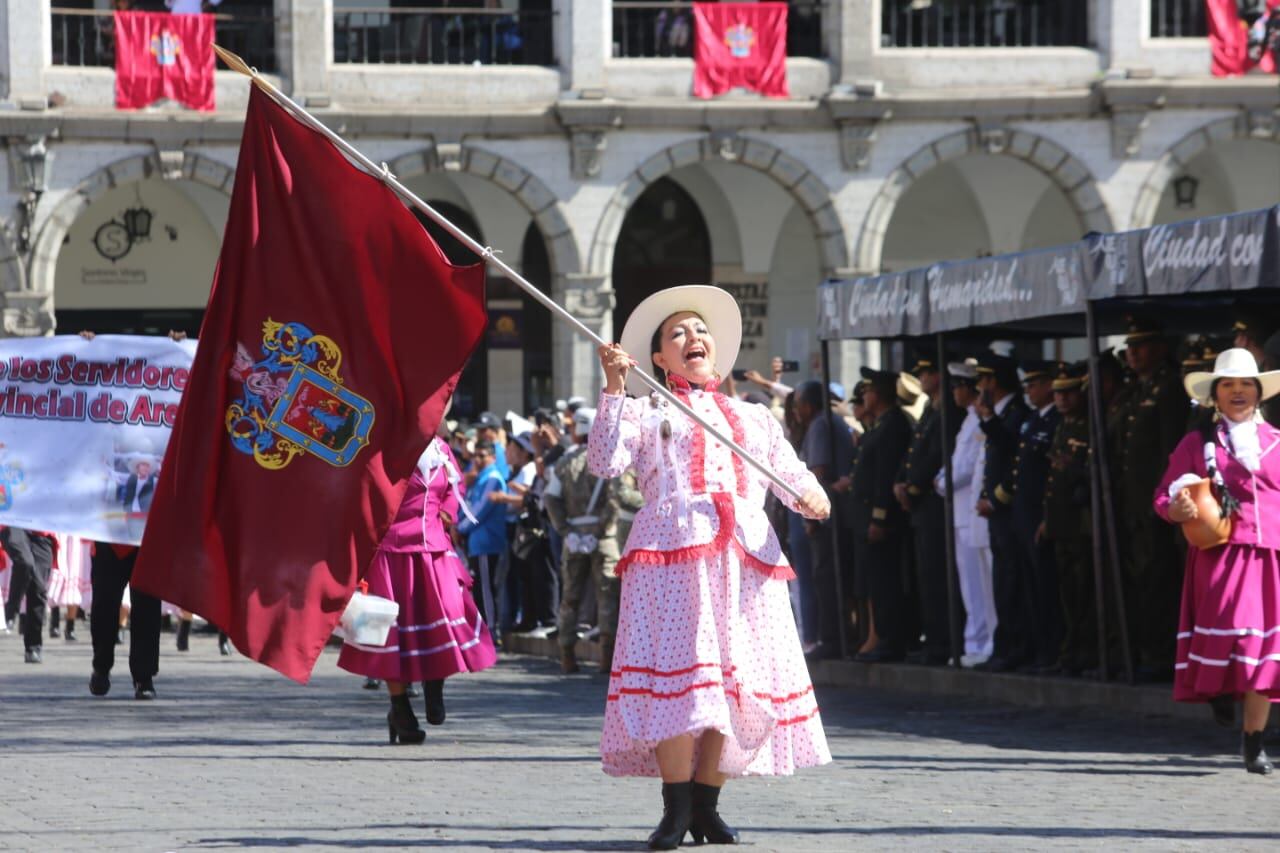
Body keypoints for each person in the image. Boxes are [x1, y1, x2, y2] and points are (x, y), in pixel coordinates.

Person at [591, 285, 831, 850]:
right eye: (677, 334)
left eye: (699, 331)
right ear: (659, 358)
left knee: (733, 679)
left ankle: (707, 805)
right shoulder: (648, 412)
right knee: (682, 681)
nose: (692, 339)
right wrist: (615, 387)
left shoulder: (753, 417)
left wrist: (812, 495)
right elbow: (605, 461)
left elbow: (789, 473)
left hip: (744, 557)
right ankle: (674, 810)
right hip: (673, 558)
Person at [1155, 348, 1280, 775]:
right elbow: (1162, 497)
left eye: (1246, 384)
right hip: (1221, 558)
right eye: (1228, 384)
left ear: (1259, 392)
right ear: (1215, 395)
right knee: (1235, 638)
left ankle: (1254, 742)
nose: (1238, 391)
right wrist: (1177, 510)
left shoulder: (1277, 443)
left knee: (1266, 652)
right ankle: (1218, 691)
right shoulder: (1197, 444)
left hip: (1271, 559)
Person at [338, 428, 497, 744]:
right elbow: (360, 492)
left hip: (433, 546)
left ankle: (434, 682)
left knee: (443, 619)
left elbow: (455, 487)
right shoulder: (380, 445)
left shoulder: (441, 449)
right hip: (388, 550)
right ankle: (399, 709)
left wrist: (448, 512)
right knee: (388, 634)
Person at [1115, 318, 1186, 678]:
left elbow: (1168, 452)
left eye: (1140, 347)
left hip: (1156, 505)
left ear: (1159, 348)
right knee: (1141, 579)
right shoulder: (1137, 391)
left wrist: (1162, 500)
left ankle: (1160, 654)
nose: (1132, 354)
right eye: (1129, 347)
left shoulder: (1168, 388)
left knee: (1158, 580)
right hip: (1134, 503)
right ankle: (1148, 650)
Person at [544, 407, 636, 675]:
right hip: (603, 537)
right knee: (607, 595)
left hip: (574, 535)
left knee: (570, 597)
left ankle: (567, 655)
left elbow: (551, 499)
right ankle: (606, 659)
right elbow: (614, 500)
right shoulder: (607, 459)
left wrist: (565, 530)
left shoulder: (564, 462)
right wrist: (601, 530)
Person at [850, 366, 913, 663]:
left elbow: (884, 476)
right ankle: (880, 637)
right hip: (865, 517)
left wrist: (879, 517)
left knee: (886, 580)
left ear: (882, 393)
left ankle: (890, 639)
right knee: (876, 580)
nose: (866, 396)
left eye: (870, 390)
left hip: (881, 520)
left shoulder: (893, 425)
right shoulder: (880, 424)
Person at [974, 352, 1030, 673]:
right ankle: (1004, 644)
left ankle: (1014, 646)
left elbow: (1012, 456)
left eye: (983, 379)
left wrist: (996, 498)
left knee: (1011, 582)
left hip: (1008, 510)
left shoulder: (1015, 412)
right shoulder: (1001, 413)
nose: (980, 386)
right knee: (1001, 581)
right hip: (996, 512)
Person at [895, 358, 953, 665]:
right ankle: (935, 639)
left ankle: (943, 642)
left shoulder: (947, 410)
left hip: (933, 501)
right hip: (919, 503)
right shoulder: (932, 408)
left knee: (936, 576)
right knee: (925, 576)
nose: (922, 378)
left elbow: (937, 454)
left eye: (926, 373)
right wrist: (902, 483)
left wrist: (914, 486)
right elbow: (915, 452)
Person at [939, 358, 996, 667]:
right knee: (971, 584)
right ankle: (975, 641)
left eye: (958, 386)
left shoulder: (978, 419)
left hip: (973, 512)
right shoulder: (969, 419)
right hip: (964, 513)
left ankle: (985, 641)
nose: (954, 392)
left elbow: (964, 467)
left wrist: (940, 483)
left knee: (981, 583)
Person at [1039, 362, 1095, 676]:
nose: (1062, 399)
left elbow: (1088, 475)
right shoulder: (1063, 426)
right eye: (1058, 393)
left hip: (1081, 524)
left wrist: (1071, 468)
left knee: (1083, 591)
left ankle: (1084, 651)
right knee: (1067, 594)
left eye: (1069, 393)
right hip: (1061, 523)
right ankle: (1070, 650)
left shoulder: (1087, 425)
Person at [794, 379, 854, 660]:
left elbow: (817, 473)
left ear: (807, 405)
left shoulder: (820, 424)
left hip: (829, 516)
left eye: (798, 405)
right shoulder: (828, 421)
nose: (796, 411)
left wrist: (812, 518)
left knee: (827, 578)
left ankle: (832, 639)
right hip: (837, 514)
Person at [1010, 360, 1063, 673]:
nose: (1029, 391)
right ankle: (1038, 649)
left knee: (1047, 588)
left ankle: (1051, 650)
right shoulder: (1032, 419)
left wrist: (1047, 515)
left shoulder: (1055, 420)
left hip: (1043, 514)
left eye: (1035, 384)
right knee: (1029, 587)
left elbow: (1050, 476)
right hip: (1023, 514)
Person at [88, 543, 161, 699]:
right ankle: (101, 667)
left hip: (146, 537)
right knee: (104, 604)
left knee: (147, 605)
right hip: (110, 535)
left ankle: (144, 677)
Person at [456, 440, 507, 639]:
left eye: (482, 455)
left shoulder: (492, 477)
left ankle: (491, 629)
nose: (477, 460)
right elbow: (467, 506)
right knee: (479, 587)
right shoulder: (479, 478)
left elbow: (479, 510)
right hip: (477, 542)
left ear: (493, 458)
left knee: (486, 588)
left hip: (487, 542)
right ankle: (484, 627)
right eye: (475, 455)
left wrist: (459, 528)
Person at [2, 527, 56, 663]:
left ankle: (33, 647)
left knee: (39, 588)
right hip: (14, 523)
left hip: (43, 530)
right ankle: (11, 610)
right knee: (24, 562)